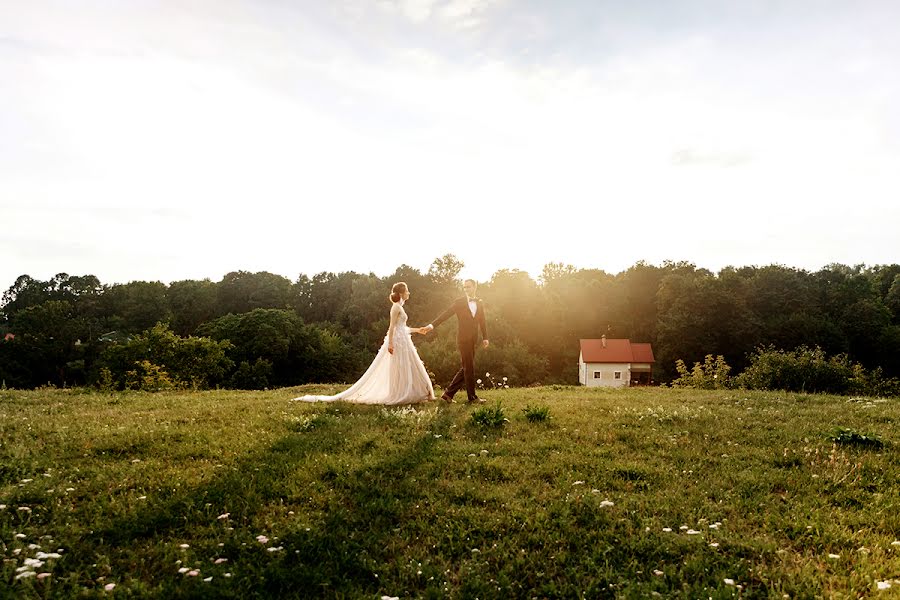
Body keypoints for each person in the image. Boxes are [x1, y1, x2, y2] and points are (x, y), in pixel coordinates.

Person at [292, 282, 434, 405]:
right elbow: (392, 327)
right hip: (398, 341)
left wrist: (418, 330)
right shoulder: (396, 307)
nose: (409, 292)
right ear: (402, 293)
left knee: (407, 366)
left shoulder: (400, 307)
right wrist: (390, 344)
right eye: (407, 290)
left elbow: (403, 328)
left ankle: (413, 392)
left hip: (404, 340)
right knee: (399, 367)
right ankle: (400, 394)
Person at [423, 279, 489, 404]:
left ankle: (448, 394)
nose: (466, 289)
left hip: (474, 339)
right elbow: (446, 314)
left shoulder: (479, 303)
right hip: (463, 340)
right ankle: (472, 397)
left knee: (466, 367)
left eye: (468, 287)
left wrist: (485, 337)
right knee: (468, 368)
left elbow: (482, 321)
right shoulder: (459, 303)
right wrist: (431, 326)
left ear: (475, 287)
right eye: (464, 287)